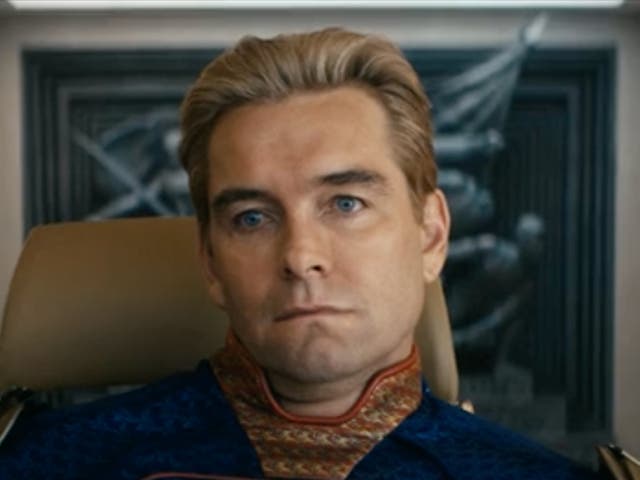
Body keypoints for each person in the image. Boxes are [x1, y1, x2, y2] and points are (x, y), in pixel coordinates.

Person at [0, 28, 600, 479]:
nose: (300, 256)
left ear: (431, 235)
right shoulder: (41, 462)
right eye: (252, 217)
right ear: (210, 263)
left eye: (345, 203)